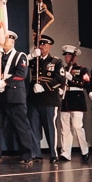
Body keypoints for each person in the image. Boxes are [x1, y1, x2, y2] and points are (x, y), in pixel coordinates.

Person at [0, 31, 35, 164]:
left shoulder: (20, 56)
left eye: (4, 40)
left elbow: (21, 75)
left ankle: (27, 154)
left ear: (11, 42)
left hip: (14, 97)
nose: (2, 41)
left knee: (21, 127)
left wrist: (5, 82)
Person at [27, 34, 65, 163]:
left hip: (49, 99)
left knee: (50, 128)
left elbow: (61, 79)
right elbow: (22, 64)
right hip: (34, 99)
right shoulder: (34, 61)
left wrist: (44, 86)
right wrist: (31, 55)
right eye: (40, 44)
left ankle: (54, 154)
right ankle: (35, 152)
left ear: (50, 46)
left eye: (44, 44)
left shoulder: (56, 61)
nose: (41, 46)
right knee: (33, 127)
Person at [59, 44, 90, 162]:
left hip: (77, 101)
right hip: (65, 100)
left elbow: (85, 83)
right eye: (66, 56)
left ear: (75, 58)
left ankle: (85, 150)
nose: (67, 58)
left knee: (77, 126)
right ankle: (66, 153)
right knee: (65, 128)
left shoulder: (82, 69)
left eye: (70, 56)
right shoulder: (63, 69)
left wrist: (72, 78)